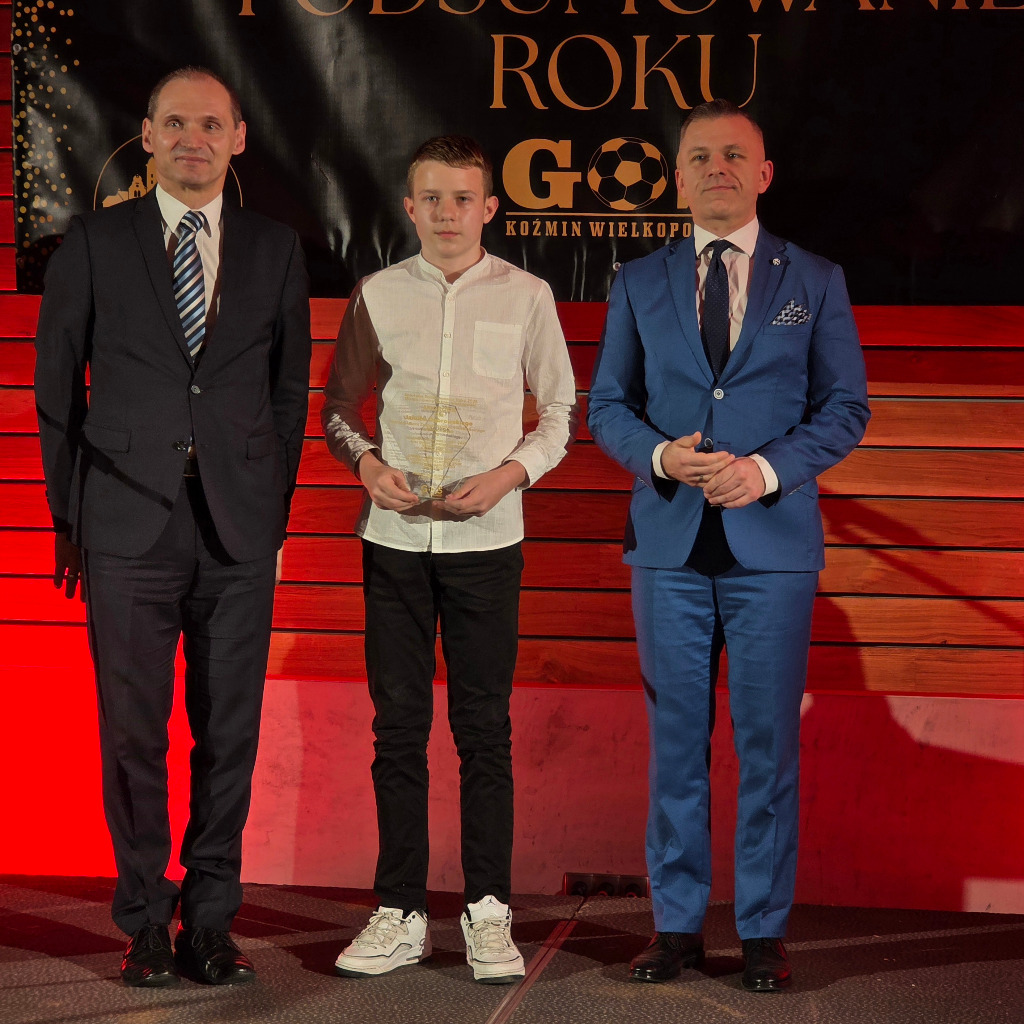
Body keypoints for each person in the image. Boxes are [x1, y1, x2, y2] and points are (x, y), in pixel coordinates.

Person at [34, 67, 311, 987]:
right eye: (176, 123)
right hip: (125, 526)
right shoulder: (94, 241)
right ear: (147, 136)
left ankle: (212, 923)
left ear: (239, 139)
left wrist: (272, 511)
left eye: (212, 124)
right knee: (133, 735)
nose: (195, 138)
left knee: (229, 734)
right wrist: (72, 519)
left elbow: (286, 391)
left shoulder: (275, 247)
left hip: (238, 532)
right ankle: (147, 920)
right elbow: (56, 391)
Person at [587, 99, 870, 992]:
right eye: (701, 156)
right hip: (667, 549)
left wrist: (767, 471)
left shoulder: (815, 278)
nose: (718, 168)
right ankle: (675, 928)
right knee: (676, 745)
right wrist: (660, 456)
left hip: (772, 552)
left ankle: (761, 933)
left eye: (735, 155)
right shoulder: (638, 280)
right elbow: (607, 408)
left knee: (766, 748)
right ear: (677, 177)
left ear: (764, 173)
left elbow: (846, 409)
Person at [321, 136, 576, 984]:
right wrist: (367, 466)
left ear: (490, 207)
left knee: (483, 731)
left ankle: (488, 911)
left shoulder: (528, 295)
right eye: (431, 198)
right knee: (397, 730)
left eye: (463, 198)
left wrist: (508, 476)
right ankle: (399, 911)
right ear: (409, 207)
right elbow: (338, 407)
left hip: (487, 546)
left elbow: (560, 414)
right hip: (393, 545)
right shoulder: (377, 293)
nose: (447, 213)